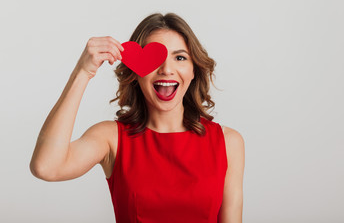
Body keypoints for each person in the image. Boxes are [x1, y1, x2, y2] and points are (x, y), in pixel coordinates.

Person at [30, 12, 245, 223]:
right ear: (136, 70)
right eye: (156, 59)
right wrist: (82, 72)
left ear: (193, 70)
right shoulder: (110, 138)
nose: (167, 70)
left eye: (180, 57)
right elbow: (47, 166)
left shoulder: (228, 143)